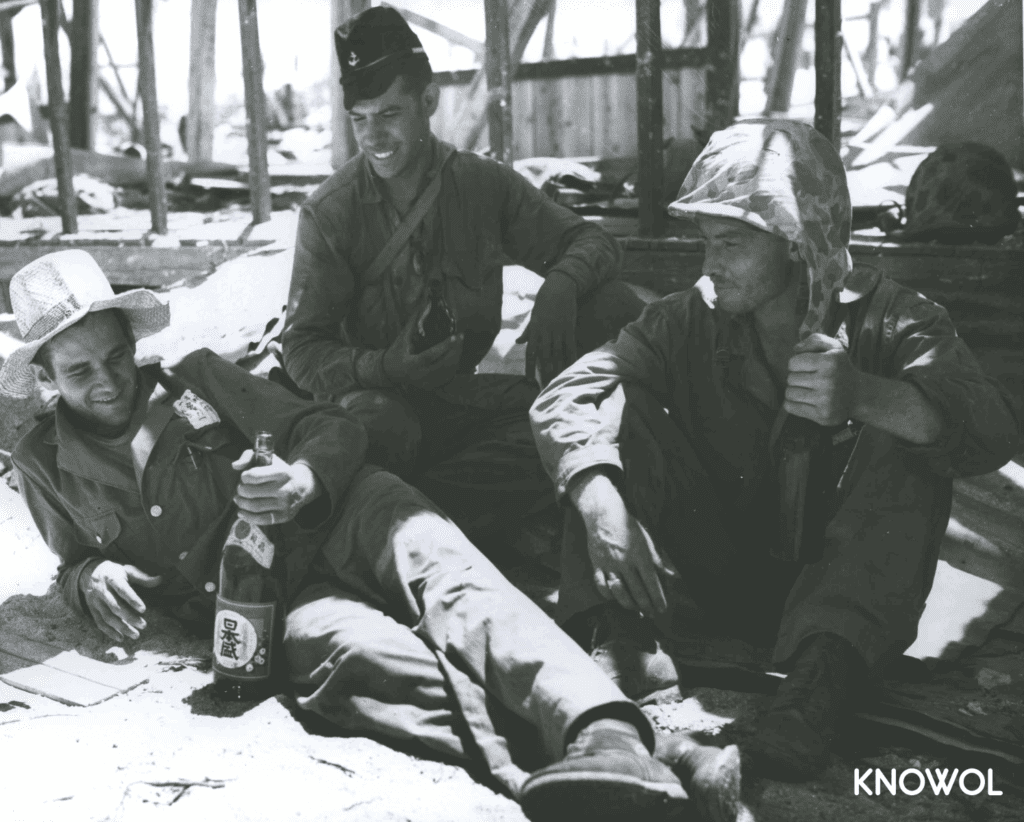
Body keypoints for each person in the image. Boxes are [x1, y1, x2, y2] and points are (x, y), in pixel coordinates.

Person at [2, 250, 744, 822]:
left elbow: (325, 426)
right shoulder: (41, 464)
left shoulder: (198, 380)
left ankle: (601, 729)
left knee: (457, 591)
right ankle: (637, 762)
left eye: (115, 356)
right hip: (267, 605)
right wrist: (87, 578)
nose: (107, 380)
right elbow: (73, 560)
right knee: (357, 669)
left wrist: (300, 479)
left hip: (346, 513)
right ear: (44, 377)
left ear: (133, 342)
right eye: (78, 370)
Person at [530, 120, 1021, 780]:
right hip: (712, 576)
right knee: (617, 412)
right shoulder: (688, 319)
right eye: (706, 243)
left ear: (797, 242)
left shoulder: (893, 318)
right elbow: (568, 394)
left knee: (907, 435)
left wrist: (867, 397)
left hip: (838, 596)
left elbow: (991, 428)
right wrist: (597, 500)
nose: (710, 263)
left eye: (730, 243)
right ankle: (622, 647)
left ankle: (815, 697)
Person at [282, 5, 644, 554]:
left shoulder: (480, 185)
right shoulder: (331, 212)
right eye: (360, 118)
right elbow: (302, 350)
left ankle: (423, 517)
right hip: (380, 409)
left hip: (463, 400)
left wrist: (562, 285)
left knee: (611, 309)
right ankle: (459, 517)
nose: (374, 136)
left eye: (389, 113)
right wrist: (382, 366)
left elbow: (594, 243)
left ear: (429, 101)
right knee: (380, 424)